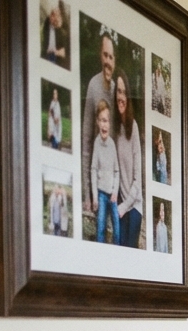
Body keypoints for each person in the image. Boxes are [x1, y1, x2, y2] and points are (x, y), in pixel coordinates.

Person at [81, 33, 115, 208]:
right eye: (105, 55)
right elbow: (86, 142)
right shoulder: (93, 85)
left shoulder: (118, 90)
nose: (108, 61)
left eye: (111, 56)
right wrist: (87, 194)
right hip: (97, 188)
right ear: (100, 55)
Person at [113, 74, 143, 248]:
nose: (121, 97)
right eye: (118, 92)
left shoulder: (134, 128)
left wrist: (123, 207)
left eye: (124, 92)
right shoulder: (115, 130)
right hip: (120, 207)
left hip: (133, 207)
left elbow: (137, 181)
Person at [89, 99, 119, 244]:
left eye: (106, 121)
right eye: (101, 120)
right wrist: (95, 197)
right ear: (97, 122)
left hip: (112, 194)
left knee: (116, 228)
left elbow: (117, 171)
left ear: (110, 123)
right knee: (100, 226)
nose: (104, 124)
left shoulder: (112, 144)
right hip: (101, 193)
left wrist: (115, 191)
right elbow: (93, 170)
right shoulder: (96, 143)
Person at [41, 1, 67, 66]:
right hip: (46, 55)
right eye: (52, 14)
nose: (54, 17)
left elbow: (65, 51)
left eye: (57, 15)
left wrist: (56, 52)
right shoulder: (47, 23)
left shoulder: (62, 28)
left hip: (56, 57)